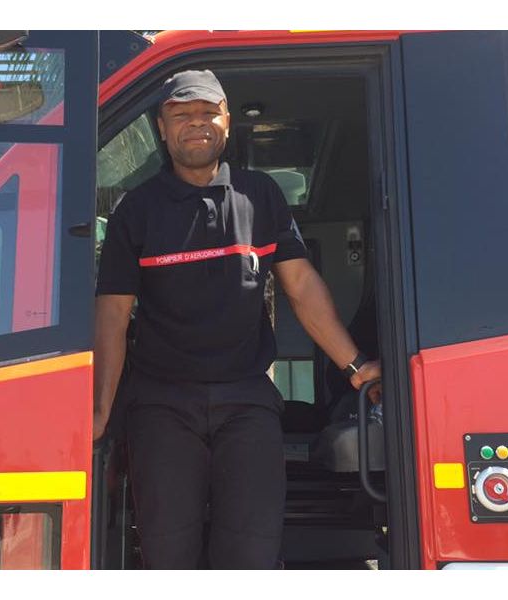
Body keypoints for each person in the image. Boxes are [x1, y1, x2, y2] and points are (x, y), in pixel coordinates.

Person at [93, 69, 381, 569]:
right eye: (181, 114)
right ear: (162, 128)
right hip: (162, 405)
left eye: (208, 113)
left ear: (228, 121)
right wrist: (98, 411)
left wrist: (355, 367)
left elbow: (301, 286)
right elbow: (113, 315)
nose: (196, 124)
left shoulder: (260, 196)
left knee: (251, 552)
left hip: (247, 399)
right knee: (167, 553)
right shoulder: (135, 211)